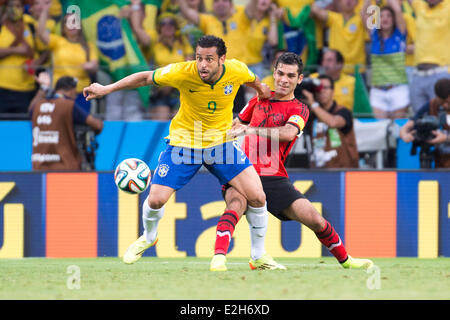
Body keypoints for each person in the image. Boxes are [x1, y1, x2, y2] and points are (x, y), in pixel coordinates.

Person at [83, 35, 284, 269]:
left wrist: (261, 89)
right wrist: (107, 88)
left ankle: (258, 255)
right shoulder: (182, 72)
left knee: (258, 196)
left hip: (220, 143)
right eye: (199, 58)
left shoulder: (236, 69)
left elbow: (253, 79)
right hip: (184, 143)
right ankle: (149, 237)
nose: (203, 65)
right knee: (156, 199)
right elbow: (146, 77)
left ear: (222, 59)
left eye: (209, 59)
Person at [210, 52, 373, 271]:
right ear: (274, 73)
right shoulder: (256, 101)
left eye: (290, 75)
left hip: (274, 177)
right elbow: (233, 126)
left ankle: (346, 260)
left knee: (315, 219)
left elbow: (288, 133)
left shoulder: (300, 109)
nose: (284, 79)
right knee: (235, 205)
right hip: (243, 171)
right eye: (280, 73)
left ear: (300, 79)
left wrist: (250, 129)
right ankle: (219, 259)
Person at [30, 71, 103, 171]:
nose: (76, 95)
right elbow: (97, 125)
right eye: (75, 91)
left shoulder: (38, 105)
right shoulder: (68, 105)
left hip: (39, 165)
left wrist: (44, 88)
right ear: (71, 90)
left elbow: (30, 110)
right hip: (64, 165)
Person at [130, 9, 194, 120]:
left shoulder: (183, 42)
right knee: (162, 116)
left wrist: (171, 82)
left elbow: (188, 64)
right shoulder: (154, 43)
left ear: (176, 26)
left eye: (171, 23)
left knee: (179, 118)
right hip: (159, 88)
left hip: (180, 88)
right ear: (159, 27)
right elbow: (137, 30)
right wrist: (136, 7)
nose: (167, 26)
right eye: (163, 23)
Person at [37, 2, 98, 113]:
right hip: (60, 95)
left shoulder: (89, 46)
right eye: (67, 22)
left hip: (81, 95)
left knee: (80, 128)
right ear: (63, 27)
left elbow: (95, 65)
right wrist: (45, 10)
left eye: (74, 22)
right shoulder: (58, 42)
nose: (71, 24)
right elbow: (41, 33)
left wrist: (90, 66)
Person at [362, 0, 409, 119]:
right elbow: (364, 13)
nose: (385, 18)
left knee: (397, 128)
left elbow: (398, 10)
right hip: (378, 91)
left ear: (394, 20)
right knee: (380, 129)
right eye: (381, 16)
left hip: (398, 89)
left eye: (389, 16)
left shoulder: (400, 35)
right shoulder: (374, 36)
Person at [302, 74, 359, 168]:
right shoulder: (311, 115)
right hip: (319, 172)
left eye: (325, 88)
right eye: (318, 89)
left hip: (344, 172)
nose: (322, 91)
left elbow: (333, 122)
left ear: (333, 91)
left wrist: (313, 104)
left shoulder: (343, 111)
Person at [407, 0, 450, 113]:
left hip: (440, 74)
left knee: (442, 117)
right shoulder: (420, 6)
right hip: (417, 75)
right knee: (419, 121)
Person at [399, 77, 450, 168]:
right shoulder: (432, 104)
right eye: (441, 102)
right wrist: (405, 134)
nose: (445, 105)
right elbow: (409, 124)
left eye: (447, 102)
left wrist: (446, 138)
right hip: (442, 164)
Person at [310, 0, 368, 75]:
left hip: (357, 70)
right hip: (336, 70)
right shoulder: (333, 18)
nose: (348, 1)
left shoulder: (362, 19)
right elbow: (315, 9)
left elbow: (372, 21)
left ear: (357, 2)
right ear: (339, 2)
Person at [0, 0, 36, 116]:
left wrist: (35, 63)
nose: (14, 9)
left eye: (18, 6)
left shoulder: (30, 25)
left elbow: (43, 50)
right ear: (6, 8)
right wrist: (16, 50)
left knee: (23, 125)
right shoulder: (1, 26)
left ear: (22, 8)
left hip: (26, 89)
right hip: (2, 87)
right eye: (11, 6)